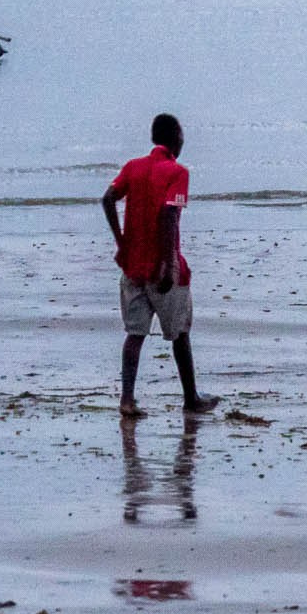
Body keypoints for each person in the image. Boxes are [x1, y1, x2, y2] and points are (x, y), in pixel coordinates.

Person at [101, 113, 218, 419]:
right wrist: (167, 264)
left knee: (135, 334)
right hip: (163, 265)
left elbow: (108, 198)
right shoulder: (177, 172)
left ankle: (127, 399)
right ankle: (191, 397)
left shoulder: (133, 167)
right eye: (182, 135)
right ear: (175, 138)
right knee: (179, 333)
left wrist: (121, 242)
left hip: (132, 265)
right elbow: (169, 217)